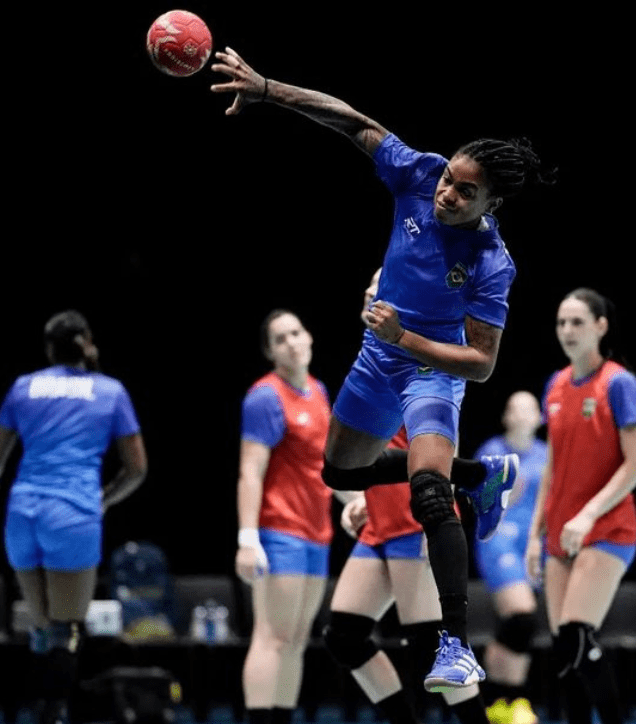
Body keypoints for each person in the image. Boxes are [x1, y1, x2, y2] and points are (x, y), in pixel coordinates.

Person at [211, 47, 556, 690]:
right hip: (376, 361)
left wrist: (407, 336)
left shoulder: (491, 263)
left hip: (431, 371)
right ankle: (480, 475)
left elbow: (481, 364)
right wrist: (264, 88)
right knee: (340, 470)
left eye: (466, 190)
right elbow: (350, 120)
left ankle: (455, 646)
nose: (448, 192)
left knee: (428, 494)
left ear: (494, 203)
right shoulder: (418, 175)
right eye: (450, 178)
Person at [323, 270, 489, 724]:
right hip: (379, 517)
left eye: (383, 286)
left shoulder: (418, 356)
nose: (371, 292)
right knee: (344, 637)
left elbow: (426, 446)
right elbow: (369, 448)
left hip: (415, 517)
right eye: (369, 286)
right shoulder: (370, 356)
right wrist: (359, 497)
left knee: (431, 652)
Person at [0, 311, 148, 724]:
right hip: (73, 516)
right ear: (87, 342)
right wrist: (104, 499)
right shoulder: (110, 391)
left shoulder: (24, 386)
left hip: (21, 513)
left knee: (40, 628)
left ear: (48, 348)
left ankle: (37, 710)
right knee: (65, 630)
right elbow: (137, 469)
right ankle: (52, 716)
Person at [525, 288, 636, 724]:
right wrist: (535, 536)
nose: (567, 331)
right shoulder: (555, 386)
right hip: (561, 532)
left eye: (577, 321)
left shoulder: (619, 383)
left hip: (608, 529)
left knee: (576, 635)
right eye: (561, 322)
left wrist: (590, 512)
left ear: (601, 325)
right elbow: (552, 469)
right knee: (564, 652)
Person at [235, 309, 334, 724]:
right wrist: (247, 538)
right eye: (280, 338)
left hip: (319, 533)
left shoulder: (318, 390)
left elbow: (321, 468)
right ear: (270, 352)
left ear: (309, 336)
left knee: (295, 640)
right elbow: (250, 471)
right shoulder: (264, 396)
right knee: (271, 637)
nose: (292, 341)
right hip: (281, 531)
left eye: (296, 331)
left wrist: (356, 501)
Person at [472, 391, 547, 724]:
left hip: (533, 547)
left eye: (529, 410)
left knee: (520, 625)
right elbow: (477, 501)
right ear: (505, 417)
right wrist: (499, 493)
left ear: (540, 418)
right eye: (514, 409)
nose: (521, 416)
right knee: (521, 615)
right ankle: (514, 699)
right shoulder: (491, 452)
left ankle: (500, 703)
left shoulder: (548, 456)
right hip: (498, 542)